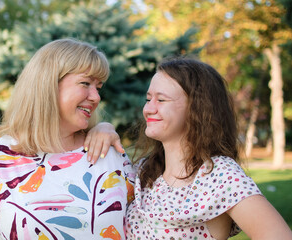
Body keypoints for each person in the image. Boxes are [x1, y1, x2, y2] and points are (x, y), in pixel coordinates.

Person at [0, 38, 135, 240]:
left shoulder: (110, 154)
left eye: (98, 87)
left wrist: (105, 127)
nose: (96, 97)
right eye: (85, 83)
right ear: (48, 84)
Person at [124, 57, 292, 239]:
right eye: (148, 99)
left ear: (197, 107)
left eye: (161, 100)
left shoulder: (219, 174)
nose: (148, 109)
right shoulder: (145, 171)